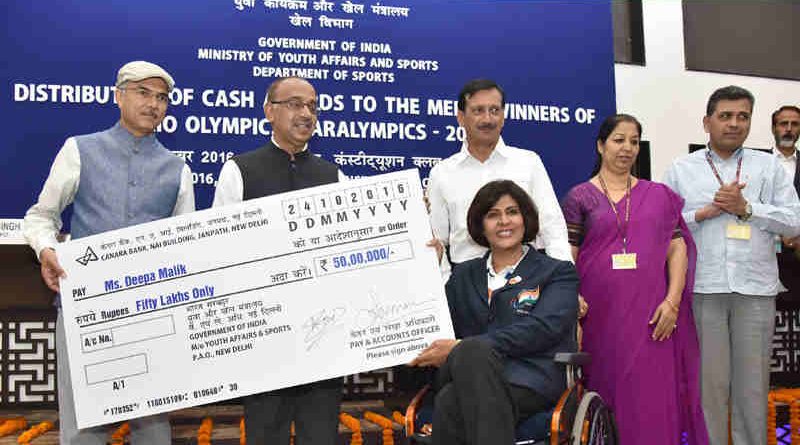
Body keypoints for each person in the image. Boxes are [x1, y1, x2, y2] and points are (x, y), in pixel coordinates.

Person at [23, 61, 195, 444]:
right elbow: (40, 217)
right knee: (83, 430)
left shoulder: (177, 169)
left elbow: (185, 245)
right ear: (118, 96)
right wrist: (46, 250)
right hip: (84, 314)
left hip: (151, 318)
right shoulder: (79, 150)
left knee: (153, 430)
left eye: (162, 98)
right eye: (143, 93)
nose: (153, 104)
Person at [663, 86, 800, 444]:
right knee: (709, 387)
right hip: (704, 290)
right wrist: (702, 213)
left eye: (743, 117)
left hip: (755, 291)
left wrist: (748, 209)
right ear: (707, 122)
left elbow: (795, 222)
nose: (734, 124)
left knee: (753, 388)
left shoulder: (767, 166)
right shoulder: (681, 169)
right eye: (725, 116)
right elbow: (663, 227)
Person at [213, 76, 346, 445]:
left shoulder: (334, 175)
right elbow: (218, 251)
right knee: (265, 435)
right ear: (269, 111)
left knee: (320, 435)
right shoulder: (238, 170)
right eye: (295, 104)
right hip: (263, 334)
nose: (306, 114)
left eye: (313, 106)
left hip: (322, 333)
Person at [561, 114, 707, 444]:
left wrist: (672, 302)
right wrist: (571, 296)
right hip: (600, 316)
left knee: (654, 399)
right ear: (600, 146)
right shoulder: (579, 197)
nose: (627, 148)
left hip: (654, 317)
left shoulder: (658, 195)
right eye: (618, 140)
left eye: (634, 141)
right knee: (608, 394)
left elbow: (677, 248)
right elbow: (566, 252)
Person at [410, 179, 578, 445]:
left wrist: (463, 347)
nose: (504, 222)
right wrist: (425, 267)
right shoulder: (463, 275)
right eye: (492, 215)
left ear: (526, 219)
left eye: (512, 212)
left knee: (450, 399)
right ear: (480, 225)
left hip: (529, 380)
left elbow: (543, 329)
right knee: (461, 378)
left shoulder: (557, 272)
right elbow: (437, 326)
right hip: (467, 378)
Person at [427, 79, 571, 273]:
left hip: (526, 278)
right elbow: (436, 241)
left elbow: (553, 229)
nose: (487, 119)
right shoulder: (441, 173)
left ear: (503, 117)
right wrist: (447, 285)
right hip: (467, 282)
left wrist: (565, 284)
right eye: (478, 111)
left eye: (494, 110)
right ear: (461, 117)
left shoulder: (528, 162)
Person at [771, 106, 800, 306]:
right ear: (774, 128)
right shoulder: (755, 162)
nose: (789, 129)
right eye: (783, 124)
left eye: (795, 124)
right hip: (765, 252)